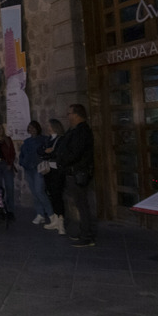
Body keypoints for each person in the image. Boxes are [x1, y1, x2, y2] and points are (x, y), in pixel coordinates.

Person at [58, 104, 96, 247]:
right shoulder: (74, 130)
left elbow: (76, 152)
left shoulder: (82, 131)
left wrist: (63, 160)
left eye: (69, 113)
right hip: (72, 171)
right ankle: (83, 232)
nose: (67, 116)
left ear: (76, 114)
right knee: (80, 203)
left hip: (78, 172)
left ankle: (87, 236)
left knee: (82, 204)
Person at [19, 121, 53, 225]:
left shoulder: (43, 140)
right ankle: (40, 214)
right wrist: (23, 163)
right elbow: (22, 155)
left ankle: (51, 213)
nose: (31, 129)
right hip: (28, 169)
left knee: (40, 191)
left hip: (38, 169)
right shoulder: (27, 142)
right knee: (34, 193)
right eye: (30, 128)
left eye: (33, 127)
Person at [41, 119, 67, 234]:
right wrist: (45, 151)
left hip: (56, 170)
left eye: (50, 126)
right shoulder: (48, 139)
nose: (48, 128)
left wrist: (49, 152)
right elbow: (40, 150)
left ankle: (60, 222)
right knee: (51, 193)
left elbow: (59, 153)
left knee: (57, 194)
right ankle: (56, 220)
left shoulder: (60, 139)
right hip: (48, 170)